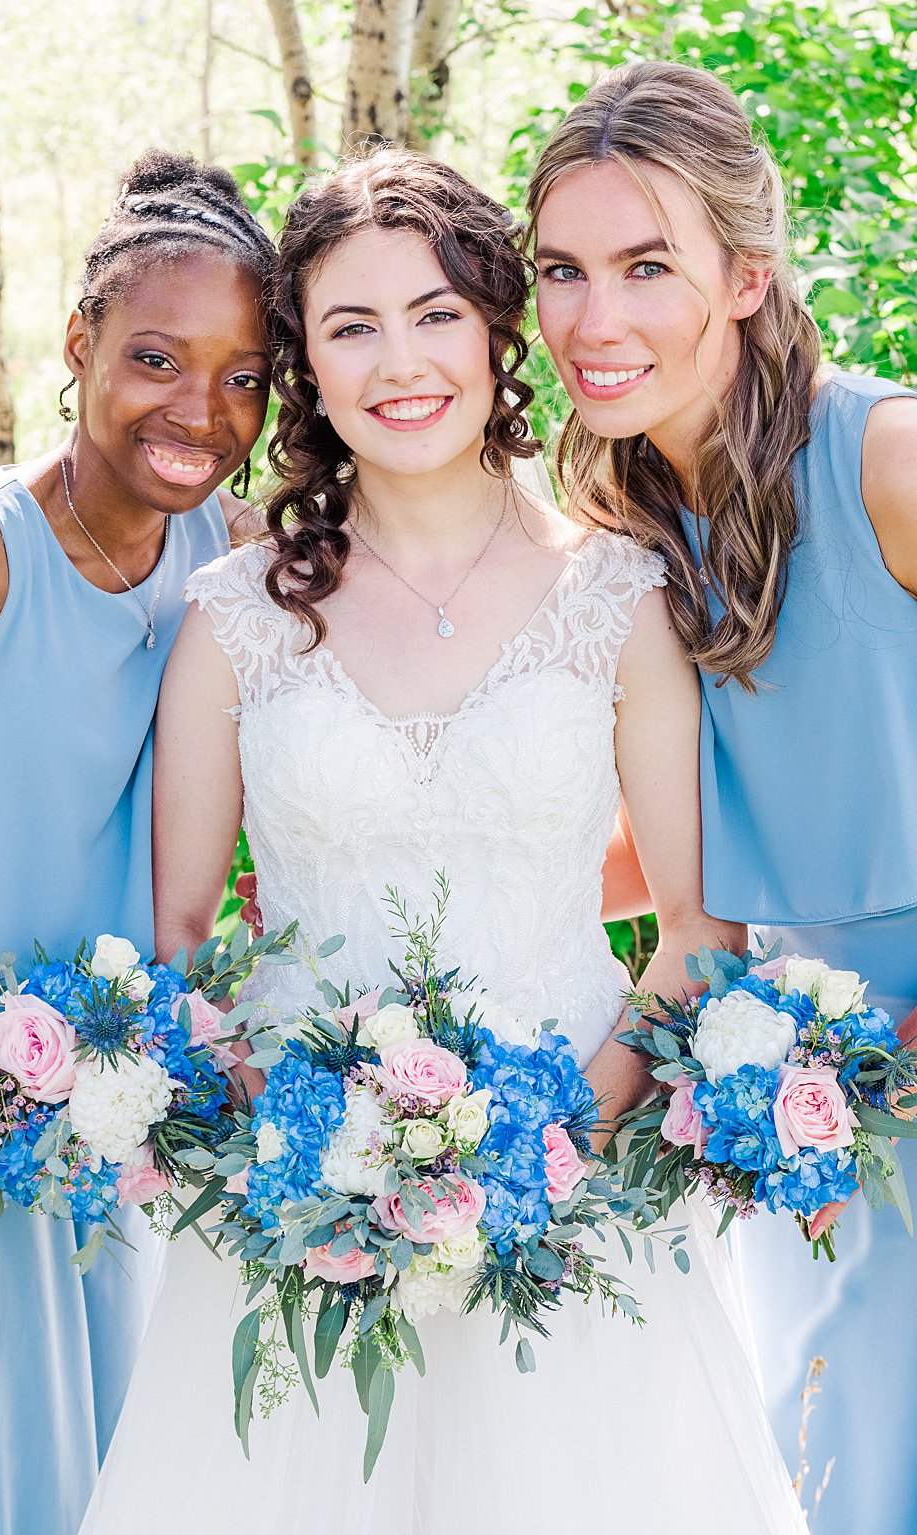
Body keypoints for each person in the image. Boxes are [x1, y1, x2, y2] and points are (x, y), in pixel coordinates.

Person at [79, 149, 804, 1533]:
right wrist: (317, 1160)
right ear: (306, 363)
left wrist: (533, 1150)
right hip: (304, 1215)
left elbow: (698, 934)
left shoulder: (621, 590)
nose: (398, 361)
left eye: (434, 313)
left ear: (493, 329)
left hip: (573, 1199)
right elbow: (184, 942)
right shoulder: (234, 618)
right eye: (351, 326)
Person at [527, 59, 917, 1535]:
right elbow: (694, 838)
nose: (593, 319)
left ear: (746, 275)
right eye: (562, 270)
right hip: (775, 1066)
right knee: (815, 1443)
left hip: (890, 1043)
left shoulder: (889, 457)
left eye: (645, 266)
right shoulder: (628, 523)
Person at [0, 150, 275, 1534]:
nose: (202, 409)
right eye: (160, 359)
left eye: (243, 378)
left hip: (102, 1118)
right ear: (80, 345)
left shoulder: (215, 552)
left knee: (96, 1460)